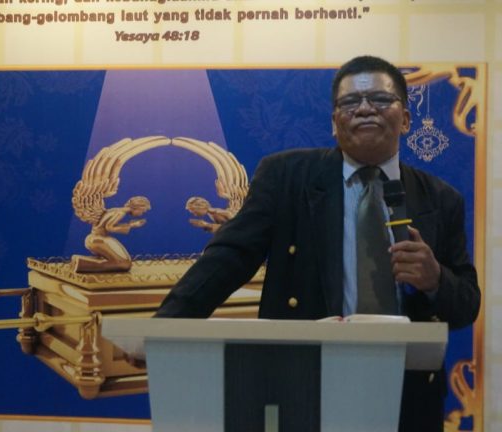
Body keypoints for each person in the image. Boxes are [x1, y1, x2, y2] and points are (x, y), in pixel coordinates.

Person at [155, 55, 481, 431]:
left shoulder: (440, 199)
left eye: (380, 99)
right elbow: (229, 257)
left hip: (407, 394)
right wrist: (165, 327)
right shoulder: (287, 177)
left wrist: (435, 279)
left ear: (405, 119)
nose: (364, 109)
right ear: (333, 122)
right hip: (300, 384)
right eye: (350, 102)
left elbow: (466, 307)